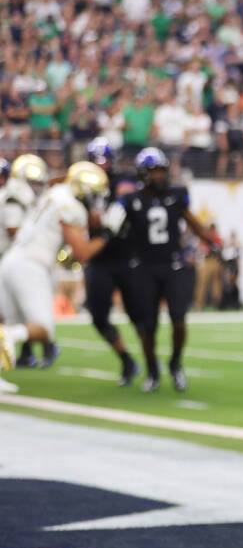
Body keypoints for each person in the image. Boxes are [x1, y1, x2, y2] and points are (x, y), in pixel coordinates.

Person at [110, 147, 219, 391]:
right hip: (144, 268)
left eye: (162, 171)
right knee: (148, 327)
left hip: (173, 265)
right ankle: (151, 370)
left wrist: (213, 242)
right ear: (143, 173)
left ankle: (176, 364)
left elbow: (193, 222)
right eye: (154, 171)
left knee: (179, 320)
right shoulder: (130, 200)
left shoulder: (176, 194)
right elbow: (114, 230)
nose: (160, 176)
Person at [0, 162, 111, 386]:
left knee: (9, 323)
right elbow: (82, 253)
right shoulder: (71, 207)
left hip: (11, 262)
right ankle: (9, 338)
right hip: (30, 266)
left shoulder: (56, 192)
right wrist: (107, 235)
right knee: (42, 329)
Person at [82, 137, 144, 385]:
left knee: (139, 314)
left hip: (127, 256)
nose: (101, 166)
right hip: (99, 259)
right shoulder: (82, 188)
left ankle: (149, 361)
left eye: (105, 161)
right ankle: (127, 361)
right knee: (98, 316)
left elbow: (127, 197)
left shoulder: (122, 182)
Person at [3, 155, 51, 367]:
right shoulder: (14, 196)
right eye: (32, 182)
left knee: (14, 315)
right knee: (9, 317)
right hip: (9, 258)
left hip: (9, 260)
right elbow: (14, 231)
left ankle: (26, 353)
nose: (36, 187)